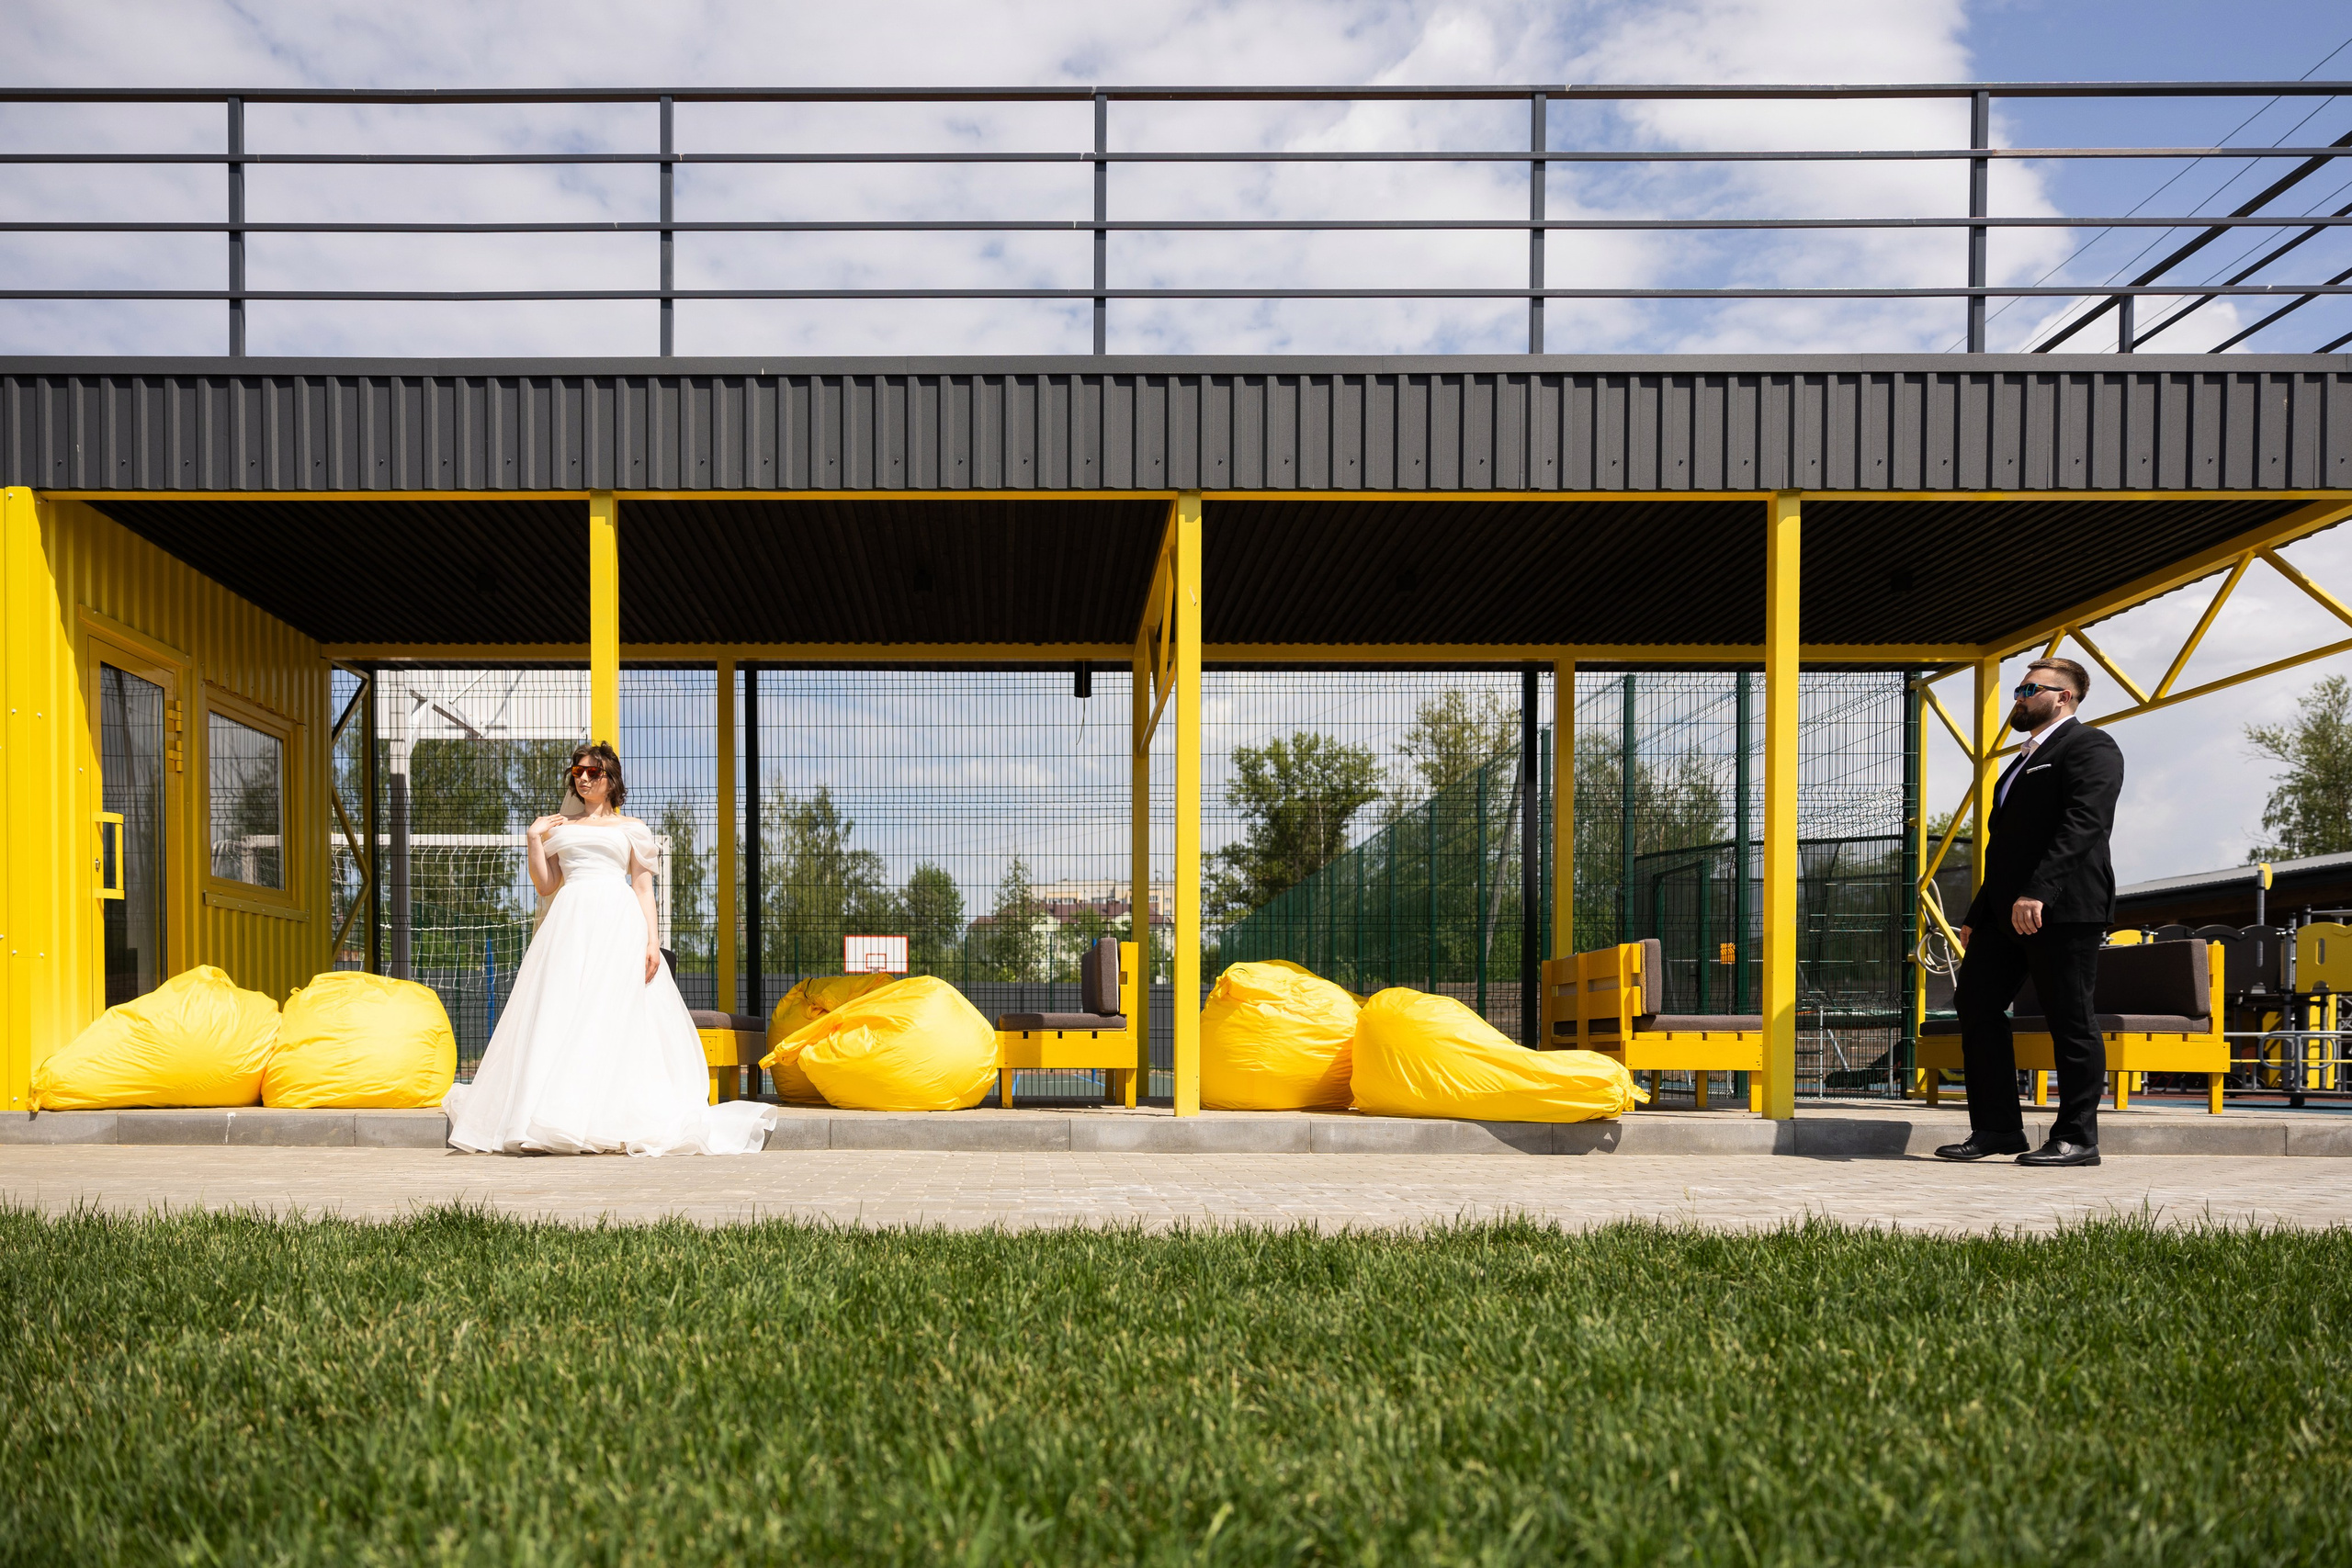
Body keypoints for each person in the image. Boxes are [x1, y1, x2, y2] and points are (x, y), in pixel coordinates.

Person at [444, 741, 775, 1156]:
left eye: (592, 772)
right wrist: (533, 837)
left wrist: (653, 942)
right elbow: (546, 885)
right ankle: (546, 1115)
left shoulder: (631, 829)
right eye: (577, 771)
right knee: (560, 1012)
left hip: (618, 924)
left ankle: (605, 1116)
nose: (582, 778)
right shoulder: (559, 828)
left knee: (612, 1013)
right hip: (568, 924)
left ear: (610, 779)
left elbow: (641, 887)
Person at [1936, 658, 2124, 1168]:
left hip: (2062, 908)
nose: (2017, 696)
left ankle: (2078, 1138)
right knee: (1975, 1002)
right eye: (2019, 687)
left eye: (2028, 688)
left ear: (2063, 696)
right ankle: (1997, 1128)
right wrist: (1979, 911)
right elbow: (2003, 848)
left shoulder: (2090, 746)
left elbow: (2084, 824)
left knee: (2070, 1018)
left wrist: (2039, 890)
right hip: (2005, 912)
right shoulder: (2020, 760)